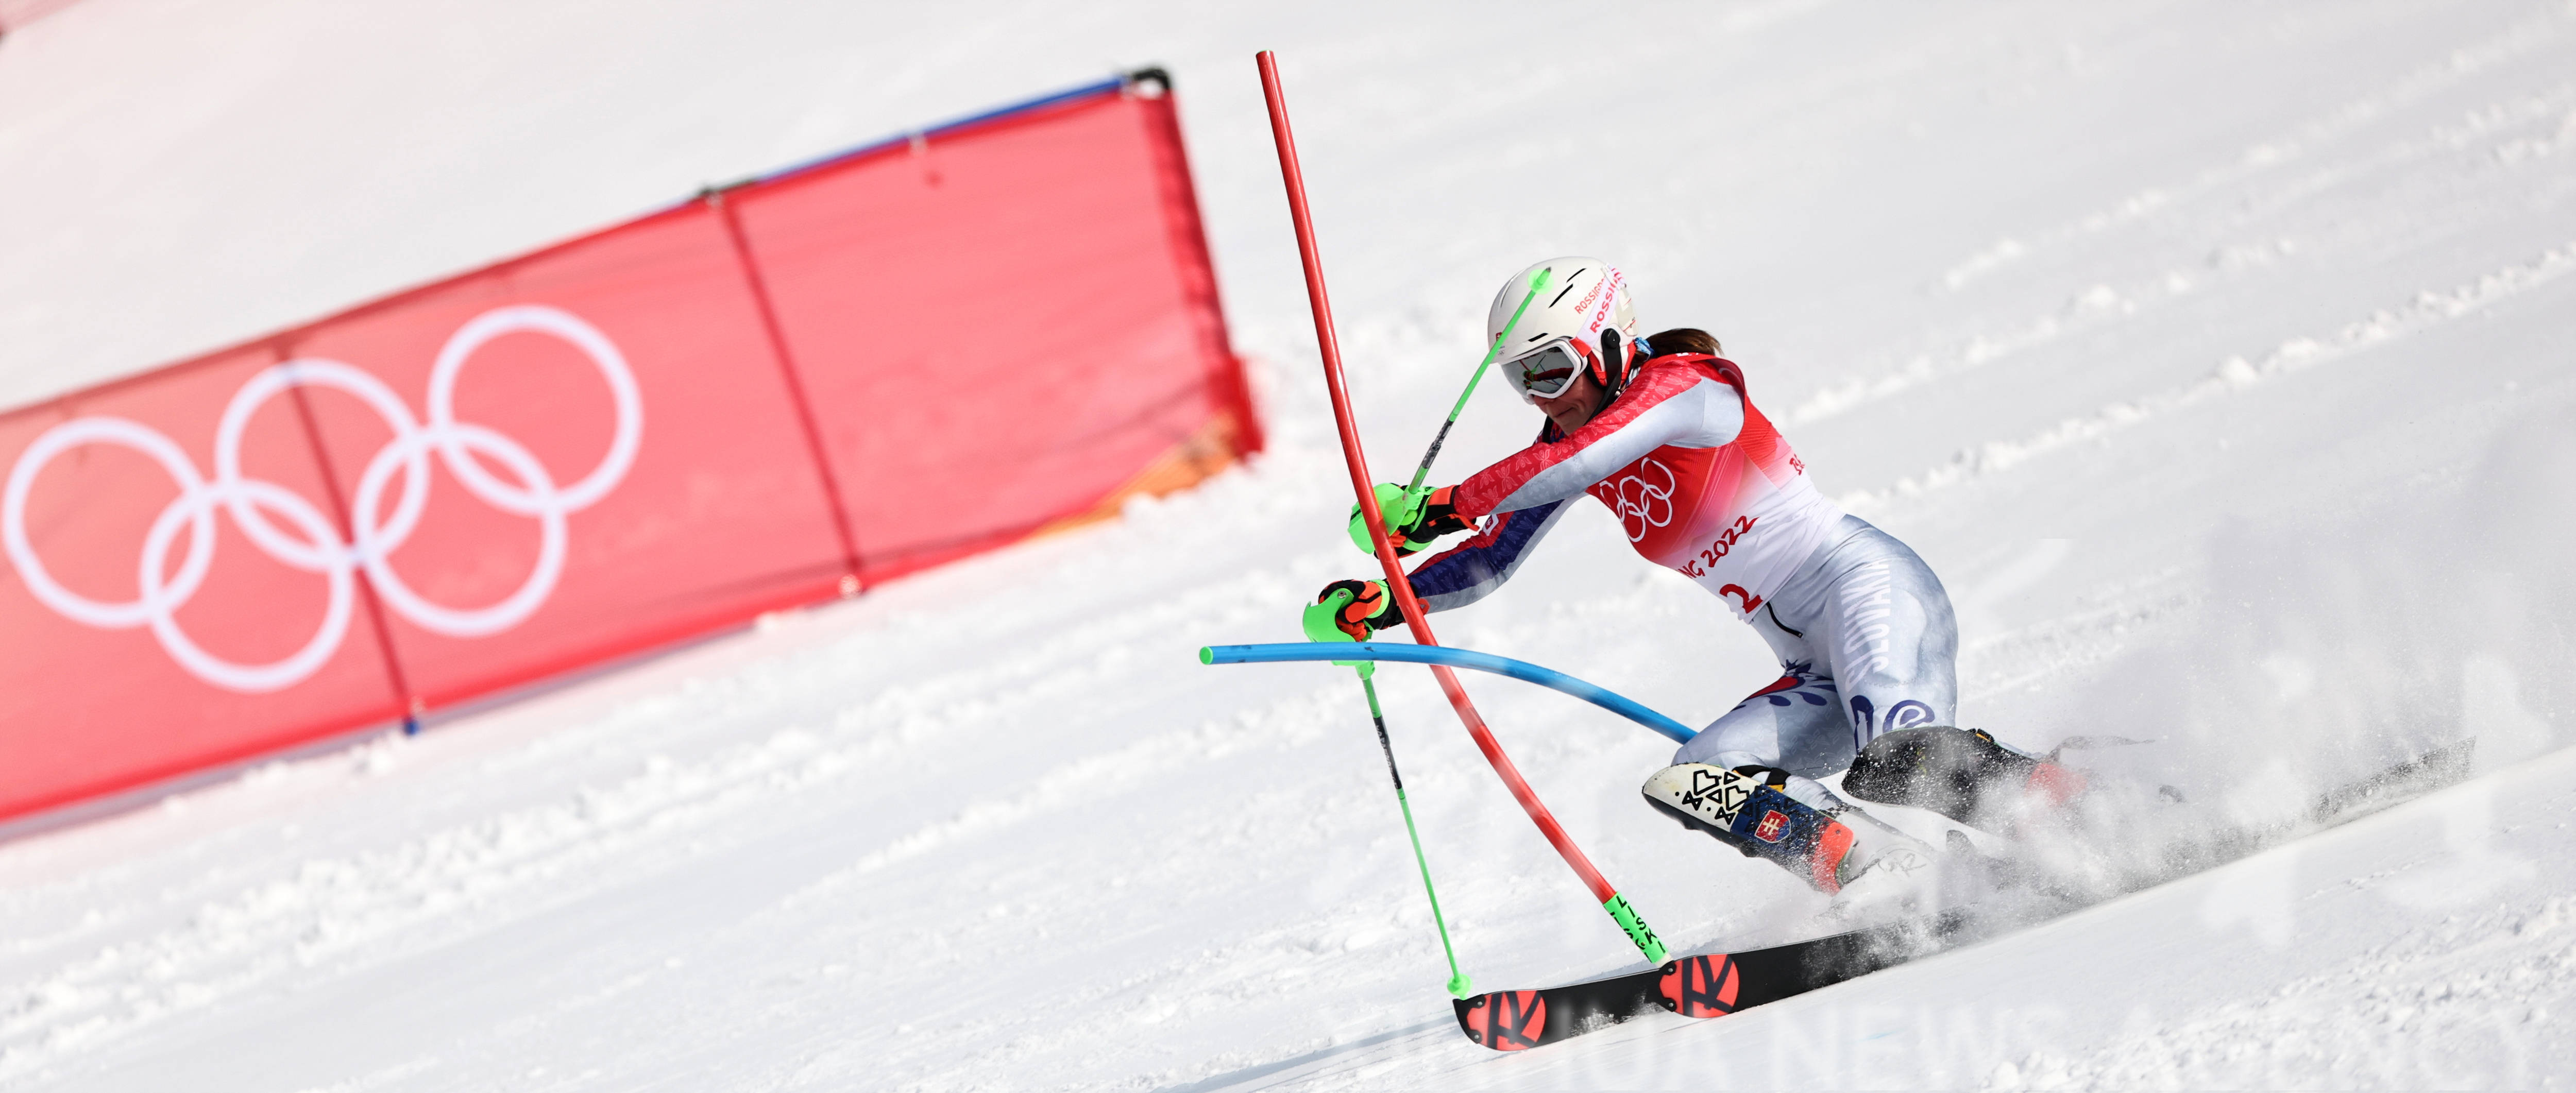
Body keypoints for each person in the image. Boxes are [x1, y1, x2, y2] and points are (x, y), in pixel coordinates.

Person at [1313, 257, 2083, 896]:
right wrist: (1385, 601)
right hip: (1809, 664)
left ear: (1609, 342)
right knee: (1700, 776)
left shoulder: (1689, 386)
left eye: (1553, 368)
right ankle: (1895, 876)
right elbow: (1492, 557)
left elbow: (1583, 458)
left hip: (1870, 591)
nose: (1546, 396)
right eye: (1525, 380)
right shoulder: (1563, 447)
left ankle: (2084, 809)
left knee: (1897, 760)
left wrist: (1446, 505)